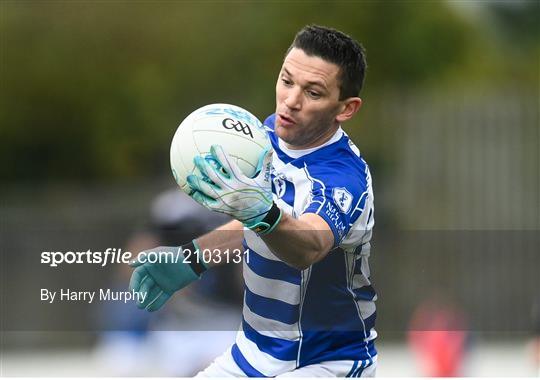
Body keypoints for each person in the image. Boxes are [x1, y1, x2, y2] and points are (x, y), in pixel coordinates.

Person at [129, 25, 377, 377]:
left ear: (346, 108)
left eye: (313, 92)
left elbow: (307, 247)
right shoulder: (266, 137)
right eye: (287, 80)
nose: (291, 100)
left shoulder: (345, 177)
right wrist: (193, 257)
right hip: (252, 354)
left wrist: (264, 214)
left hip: (327, 363)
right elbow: (255, 219)